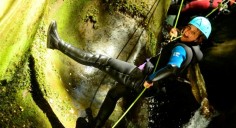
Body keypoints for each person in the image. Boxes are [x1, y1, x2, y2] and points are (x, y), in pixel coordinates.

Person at [47, 16, 212, 127]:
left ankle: (56, 43)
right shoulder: (191, 49)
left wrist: (151, 78)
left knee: (101, 60)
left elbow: (173, 67)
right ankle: (95, 125)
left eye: (193, 32)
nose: (188, 31)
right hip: (151, 85)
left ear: (199, 38)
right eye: (189, 27)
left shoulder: (182, 49)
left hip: (143, 79)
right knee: (114, 93)